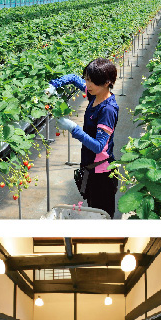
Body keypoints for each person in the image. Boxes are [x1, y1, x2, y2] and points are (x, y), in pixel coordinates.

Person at [46, 58, 120, 218]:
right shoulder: (95, 95)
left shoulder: (107, 110)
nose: (87, 84)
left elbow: (99, 146)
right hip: (90, 167)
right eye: (86, 78)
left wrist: (74, 128)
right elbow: (73, 78)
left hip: (102, 173)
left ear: (107, 82)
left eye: (92, 81)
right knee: (92, 209)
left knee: (101, 214)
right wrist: (54, 84)